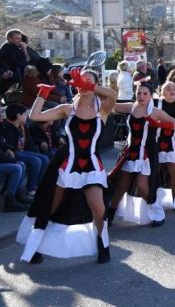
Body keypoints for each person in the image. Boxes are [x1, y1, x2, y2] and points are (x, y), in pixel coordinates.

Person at [17, 69, 116, 264]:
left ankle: (102, 244)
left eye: (89, 81)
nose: (84, 84)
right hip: (67, 164)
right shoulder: (66, 108)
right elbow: (35, 116)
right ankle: (35, 247)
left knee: (98, 207)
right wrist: (43, 93)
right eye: (81, 82)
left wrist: (90, 85)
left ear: (95, 85)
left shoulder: (102, 108)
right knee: (50, 207)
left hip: (92, 165)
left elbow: (112, 94)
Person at [108, 83, 175, 227]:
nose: (141, 96)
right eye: (139, 93)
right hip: (131, 151)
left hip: (147, 153)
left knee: (143, 185)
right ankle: (110, 214)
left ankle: (158, 214)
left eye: (145, 93)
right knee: (121, 185)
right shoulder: (131, 107)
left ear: (151, 95)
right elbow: (110, 106)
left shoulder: (156, 111)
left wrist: (162, 125)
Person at [1, 103, 48, 199]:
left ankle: (39, 186)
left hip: (22, 152)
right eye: (24, 114)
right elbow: (10, 146)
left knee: (44, 158)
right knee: (36, 161)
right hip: (14, 153)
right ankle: (31, 190)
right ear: (18, 116)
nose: (26, 116)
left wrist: (38, 146)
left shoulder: (23, 126)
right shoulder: (6, 127)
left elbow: (30, 143)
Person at [155, 81, 175, 213]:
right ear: (162, 92)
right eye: (168, 89)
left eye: (174, 88)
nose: (172, 91)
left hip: (174, 144)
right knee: (153, 174)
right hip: (156, 144)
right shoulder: (155, 103)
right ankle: (153, 201)